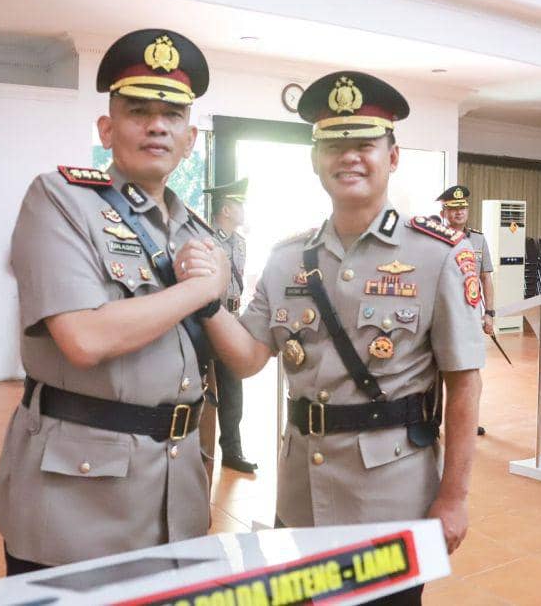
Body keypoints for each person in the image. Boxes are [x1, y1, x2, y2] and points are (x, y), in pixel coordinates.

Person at [175, 71, 485, 605]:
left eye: (365, 143)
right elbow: (248, 358)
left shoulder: (439, 255)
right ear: (315, 160)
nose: (350, 158)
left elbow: (464, 385)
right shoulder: (286, 258)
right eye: (334, 145)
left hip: (391, 496)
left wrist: (454, 497)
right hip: (301, 492)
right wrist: (206, 301)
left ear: (392, 157)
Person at [0, 29, 225, 575]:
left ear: (190, 138)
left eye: (173, 115)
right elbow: (84, 338)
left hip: (175, 488)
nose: (157, 125)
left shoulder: (195, 229)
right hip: (78, 497)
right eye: (138, 110)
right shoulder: (59, 199)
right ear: (107, 128)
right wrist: (197, 290)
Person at [203, 177, 258, 473]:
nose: (243, 210)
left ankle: (233, 451)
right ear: (226, 208)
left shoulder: (240, 243)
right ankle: (202, 450)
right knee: (205, 391)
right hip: (206, 323)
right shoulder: (205, 240)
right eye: (239, 204)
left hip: (232, 322)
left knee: (233, 390)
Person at [437, 185, 496, 337]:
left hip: (471, 311)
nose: (459, 212)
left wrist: (489, 312)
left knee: (471, 356)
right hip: (444, 313)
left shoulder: (478, 239)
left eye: (463, 207)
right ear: (443, 213)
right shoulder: (436, 240)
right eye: (453, 208)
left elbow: (485, 278)